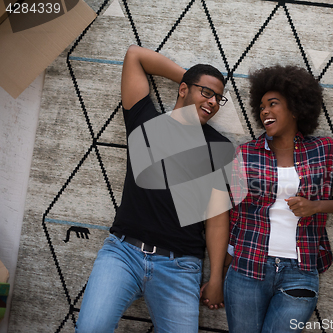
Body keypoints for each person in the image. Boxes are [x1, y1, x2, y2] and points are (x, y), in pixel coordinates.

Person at [75, 45, 231, 333]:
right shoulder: (144, 121)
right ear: (183, 89)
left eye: (218, 98)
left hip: (180, 267)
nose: (212, 102)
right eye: (206, 93)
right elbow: (135, 55)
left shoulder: (219, 147)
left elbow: (217, 218)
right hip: (123, 253)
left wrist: (217, 278)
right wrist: (188, 76)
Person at [223, 65, 333, 332]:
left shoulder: (325, 149)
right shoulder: (245, 154)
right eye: (262, 106)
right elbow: (233, 214)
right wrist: (220, 273)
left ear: (295, 108)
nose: (264, 111)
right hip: (247, 268)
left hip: (299, 273)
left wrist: (317, 206)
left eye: (273, 104)